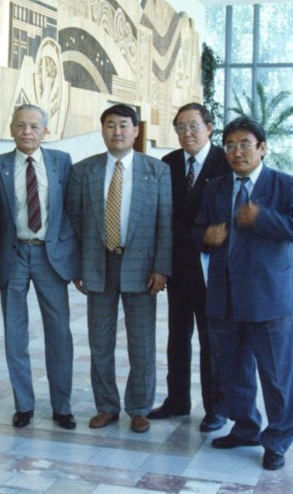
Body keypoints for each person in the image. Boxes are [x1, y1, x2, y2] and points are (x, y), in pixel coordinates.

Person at [194, 116, 293, 471]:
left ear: (262, 148)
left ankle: (277, 440)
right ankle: (246, 427)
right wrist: (205, 236)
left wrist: (262, 218)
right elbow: (196, 228)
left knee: (277, 375)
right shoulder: (216, 187)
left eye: (245, 144)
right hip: (224, 295)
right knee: (233, 371)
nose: (237, 152)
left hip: (268, 298)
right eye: (230, 146)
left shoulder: (286, 185)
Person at [66, 103, 172, 434]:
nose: (117, 132)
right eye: (110, 125)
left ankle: (139, 407)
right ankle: (106, 406)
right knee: (100, 341)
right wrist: (77, 266)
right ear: (102, 130)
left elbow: (165, 223)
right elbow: (74, 221)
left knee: (142, 342)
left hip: (142, 268)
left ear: (136, 131)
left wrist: (161, 268)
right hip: (98, 264)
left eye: (124, 125)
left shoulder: (157, 171)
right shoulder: (84, 171)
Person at [0, 105, 80, 430]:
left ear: (45, 131)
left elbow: (72, 211)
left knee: (59, 333)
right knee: (15, 333)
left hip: (50, 257)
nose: (27, 132)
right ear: (11, 128)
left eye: (34, 126)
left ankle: (62, 406)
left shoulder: (61, 162)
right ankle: (23, 405)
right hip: (12, 255)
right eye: (21, 125)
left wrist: (76, 262)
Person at [149, 103, 230, 432]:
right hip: (179, 267)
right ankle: (177, 400)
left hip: (212, 267)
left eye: (194, 126)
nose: (187, 133)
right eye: (180, 127)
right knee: (177, 337)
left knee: (212, 341)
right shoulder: (168, 164)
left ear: (209, 128)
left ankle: (216, 408)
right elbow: (161, 217)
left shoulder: (225, 161)